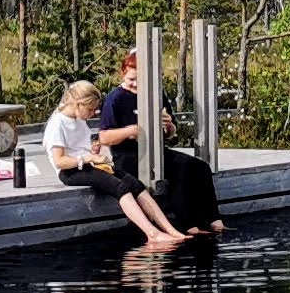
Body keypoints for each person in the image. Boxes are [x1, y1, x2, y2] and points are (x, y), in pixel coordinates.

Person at [46, 76, 189, 249]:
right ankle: (151, 233)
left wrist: (95, 150)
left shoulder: (79, 121)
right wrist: (88, 158)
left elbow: (81, 146)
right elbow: (60, 160)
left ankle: (169, 229)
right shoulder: (57, 124)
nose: (93, 114)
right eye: (91, 109)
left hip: (88, 164)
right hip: (70, 171)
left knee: (135, 184)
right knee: (120, 187)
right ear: (78, 104)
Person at [99, 48, 221, 236]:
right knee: (178, 172)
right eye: (131, 79)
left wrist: (169, 127)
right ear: (123, 74)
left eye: (140, 80)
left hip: (155, 149)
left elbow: (170, 133)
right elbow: (105, 137)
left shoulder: (156, 95)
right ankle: (188, 224)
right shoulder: (115, 99)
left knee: (199, 167)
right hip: (128, 154)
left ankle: (213, 219)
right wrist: (130, 131)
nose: (136, 84)